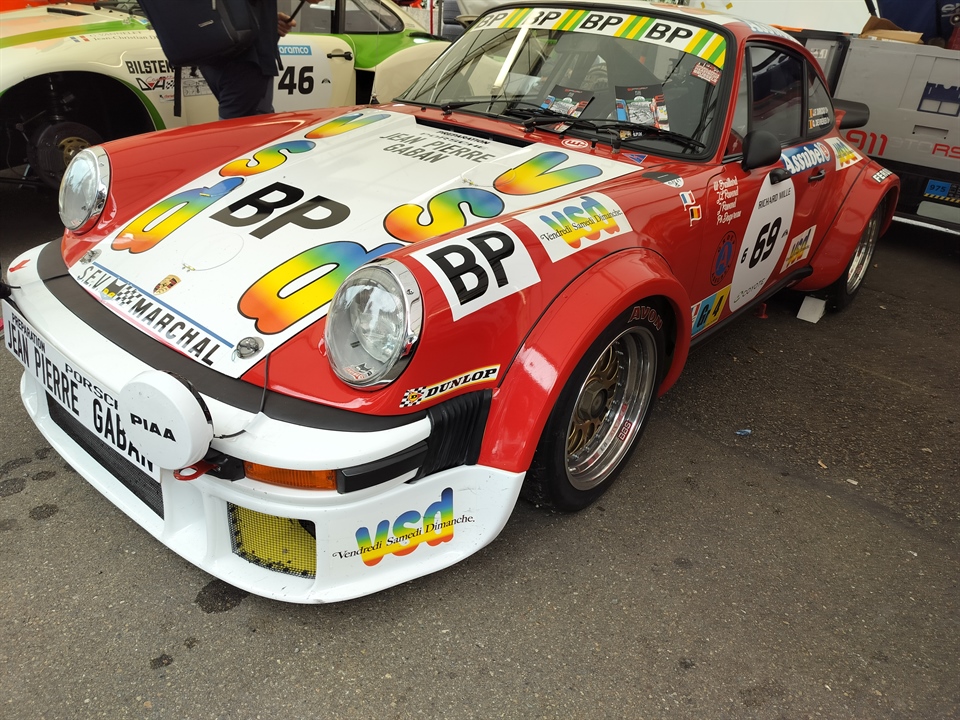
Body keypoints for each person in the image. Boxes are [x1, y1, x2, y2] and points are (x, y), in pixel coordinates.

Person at [197, 2, 300, 120]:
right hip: (248, 60)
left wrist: (265, 19)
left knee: (234, 122)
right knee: (246, 127)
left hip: (214, 52)